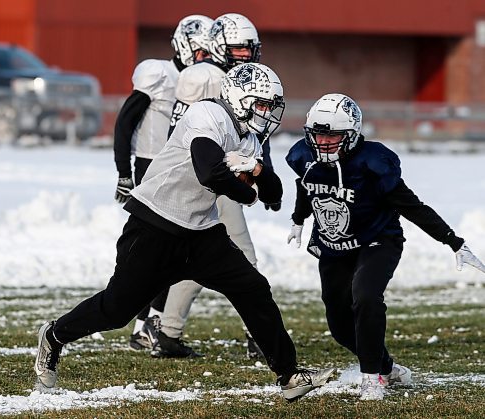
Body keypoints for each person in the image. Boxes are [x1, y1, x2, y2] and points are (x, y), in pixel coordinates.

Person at [34, 63, 335, 402]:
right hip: (154, 225)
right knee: (116, 310)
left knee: (253, 288)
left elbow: (275, 195)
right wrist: (248, 192)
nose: (267, 113)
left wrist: (256, 168)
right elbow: (210, 172)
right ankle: (54, 334)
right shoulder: (208, 114)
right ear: (239, 98)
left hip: (200, 233)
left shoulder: (248, 138)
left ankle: (290, 375)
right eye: (262, 104)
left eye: (270, 106)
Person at [285, 93, 485, 400]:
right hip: (334, 246)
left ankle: (372, 378)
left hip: (377, 241)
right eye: (319, 134)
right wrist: (298, 219)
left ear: (351, 135)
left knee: (365, 297)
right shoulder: (304, 157)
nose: (324, 142)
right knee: (339, 326)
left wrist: (452, 241)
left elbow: (412, 206)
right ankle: (386, 366)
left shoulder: (373, 163)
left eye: (333, 135)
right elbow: (306, 186)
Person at [156, 13, 278, 359]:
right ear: (218, 46)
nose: (245, 54)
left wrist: (259, 174)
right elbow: (192, 136)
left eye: (249, 48)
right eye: (238, 48)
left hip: (223, 177)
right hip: (215, 177)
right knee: (242, 257)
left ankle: (168, 330)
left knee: (201, 260)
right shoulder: (208, 78)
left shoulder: (233, 78)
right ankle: (260, 335)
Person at [112, 14, 214, 351]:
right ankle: (146, 323)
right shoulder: (160, 74)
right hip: (152, 165)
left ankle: (147, 323)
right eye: (200, 51)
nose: (204, 59)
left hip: (184, 167)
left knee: (172, 251)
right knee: (160, 249)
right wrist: (123, 170)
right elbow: (126, 121)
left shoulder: (203, 79)